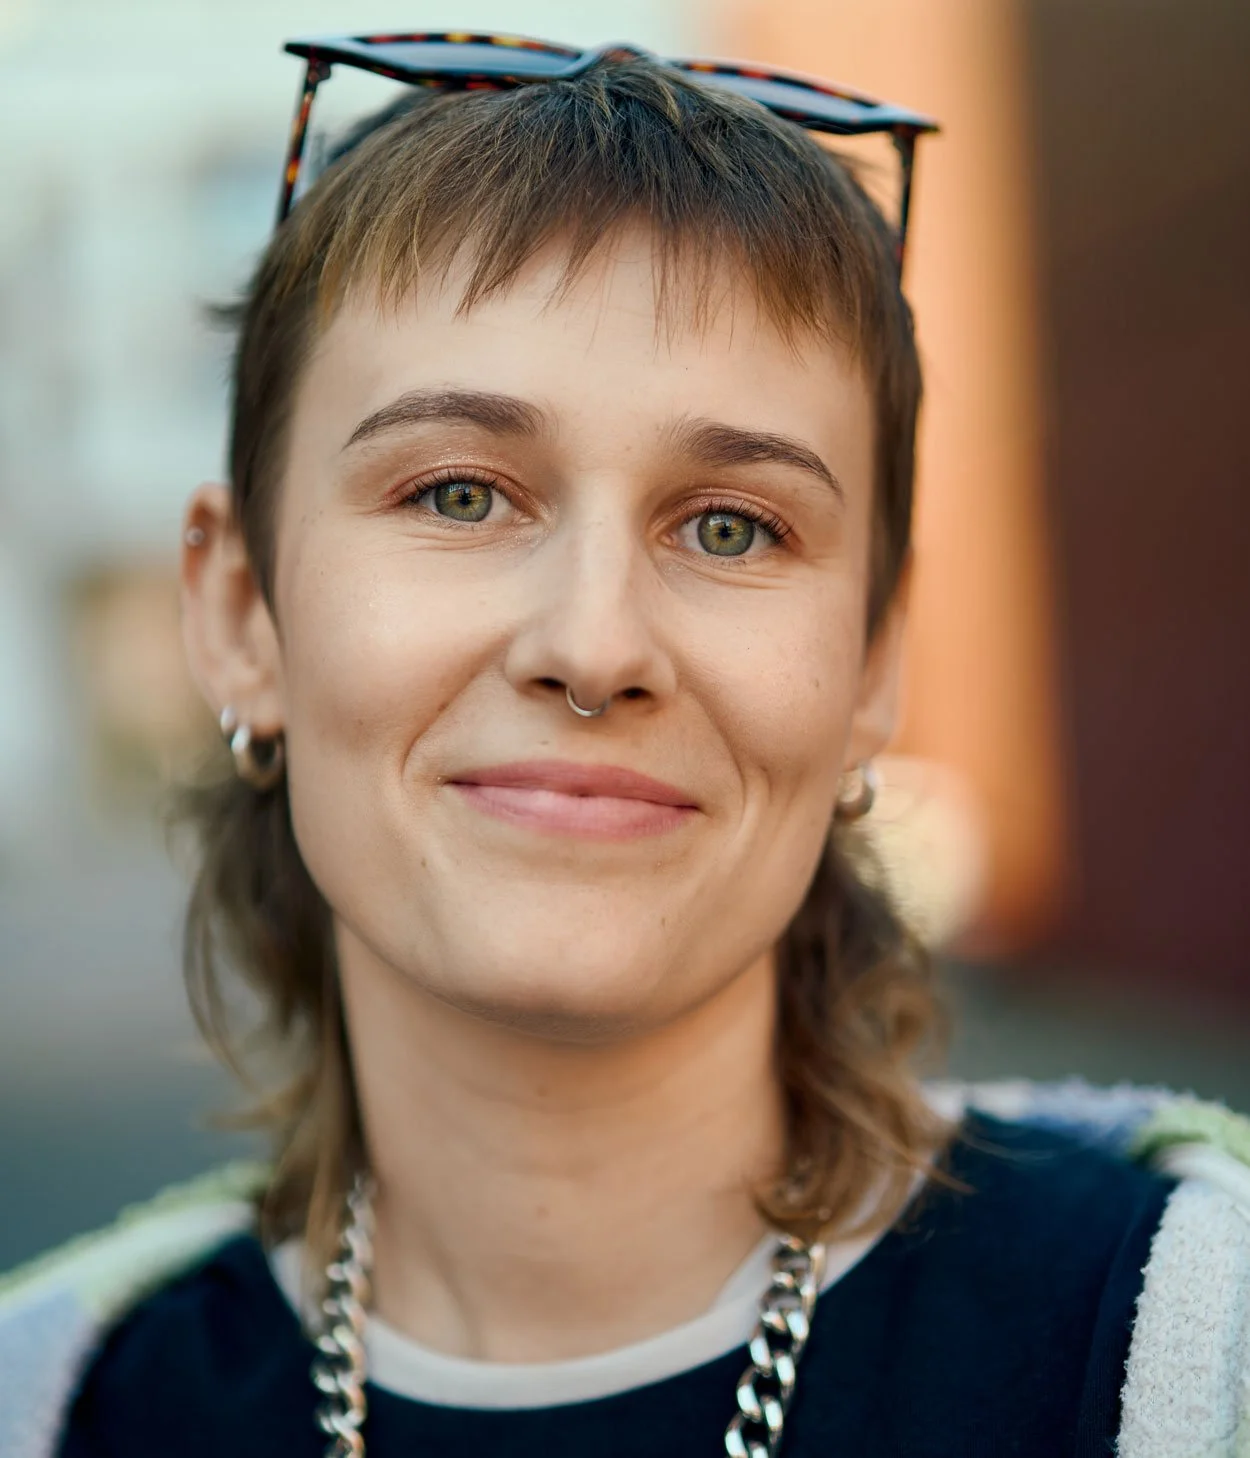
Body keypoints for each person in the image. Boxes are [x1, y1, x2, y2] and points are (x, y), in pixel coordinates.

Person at [2, 35, 1247, 1458]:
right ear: (240, 612)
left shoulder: (1183, 1346)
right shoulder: (59, 1402)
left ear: (871, 662)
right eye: (459, 493)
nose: (594, 645)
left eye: (731, 526)